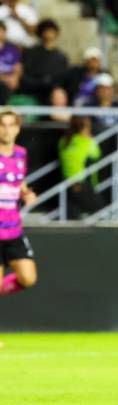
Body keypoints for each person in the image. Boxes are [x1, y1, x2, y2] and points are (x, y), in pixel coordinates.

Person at [0, 109, 37, 296]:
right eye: (2, 125)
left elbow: (20, 181)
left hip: (13, 228)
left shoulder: (21, 154)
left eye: (11, 125)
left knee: (28, 278)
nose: (6, 130)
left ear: (18, 129)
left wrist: (26, 193)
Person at [58, 116, 104, 218]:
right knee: (99, 208)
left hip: (67, 181)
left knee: (72, 214)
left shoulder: (63, 141)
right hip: (83, 182)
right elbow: (97, 154)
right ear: (84, 128)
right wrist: (90, 139)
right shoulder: (87, 142)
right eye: (89, 126)